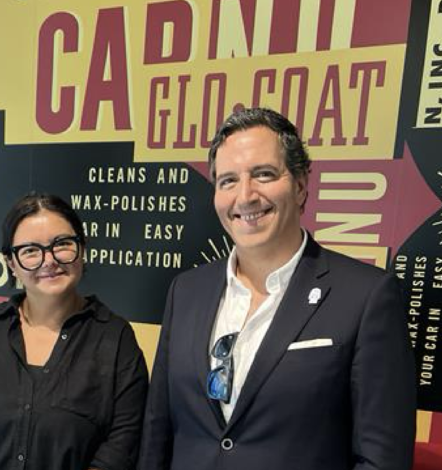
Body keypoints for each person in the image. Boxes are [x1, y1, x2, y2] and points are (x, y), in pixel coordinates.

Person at [139, 108, 416, 470]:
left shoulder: (366, 296)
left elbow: (382, 459)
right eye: (228, 181)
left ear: (300, 186)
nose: (245, 196)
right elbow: (157, 432)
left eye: (264, 174)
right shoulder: (186, 291)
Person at [0, 192, 149, 470]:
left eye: (62, 244)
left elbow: (119, 451)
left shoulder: (116, 341)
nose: (49, 260)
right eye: (30, 250)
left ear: (82, 248)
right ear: (11, 263)